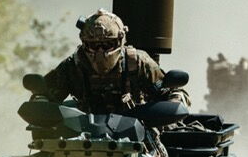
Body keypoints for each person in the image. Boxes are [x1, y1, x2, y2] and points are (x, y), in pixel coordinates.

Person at [42, 9, 189, 113]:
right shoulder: (73, 65)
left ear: (119, 42)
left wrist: (173, 102)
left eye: (107, 45)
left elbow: (171, 91)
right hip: (82, 139)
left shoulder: (137, 62)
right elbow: (47, 95)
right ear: (84, 44)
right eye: (93, 46)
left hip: (136, 138)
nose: (100, 52)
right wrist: (39, 100)